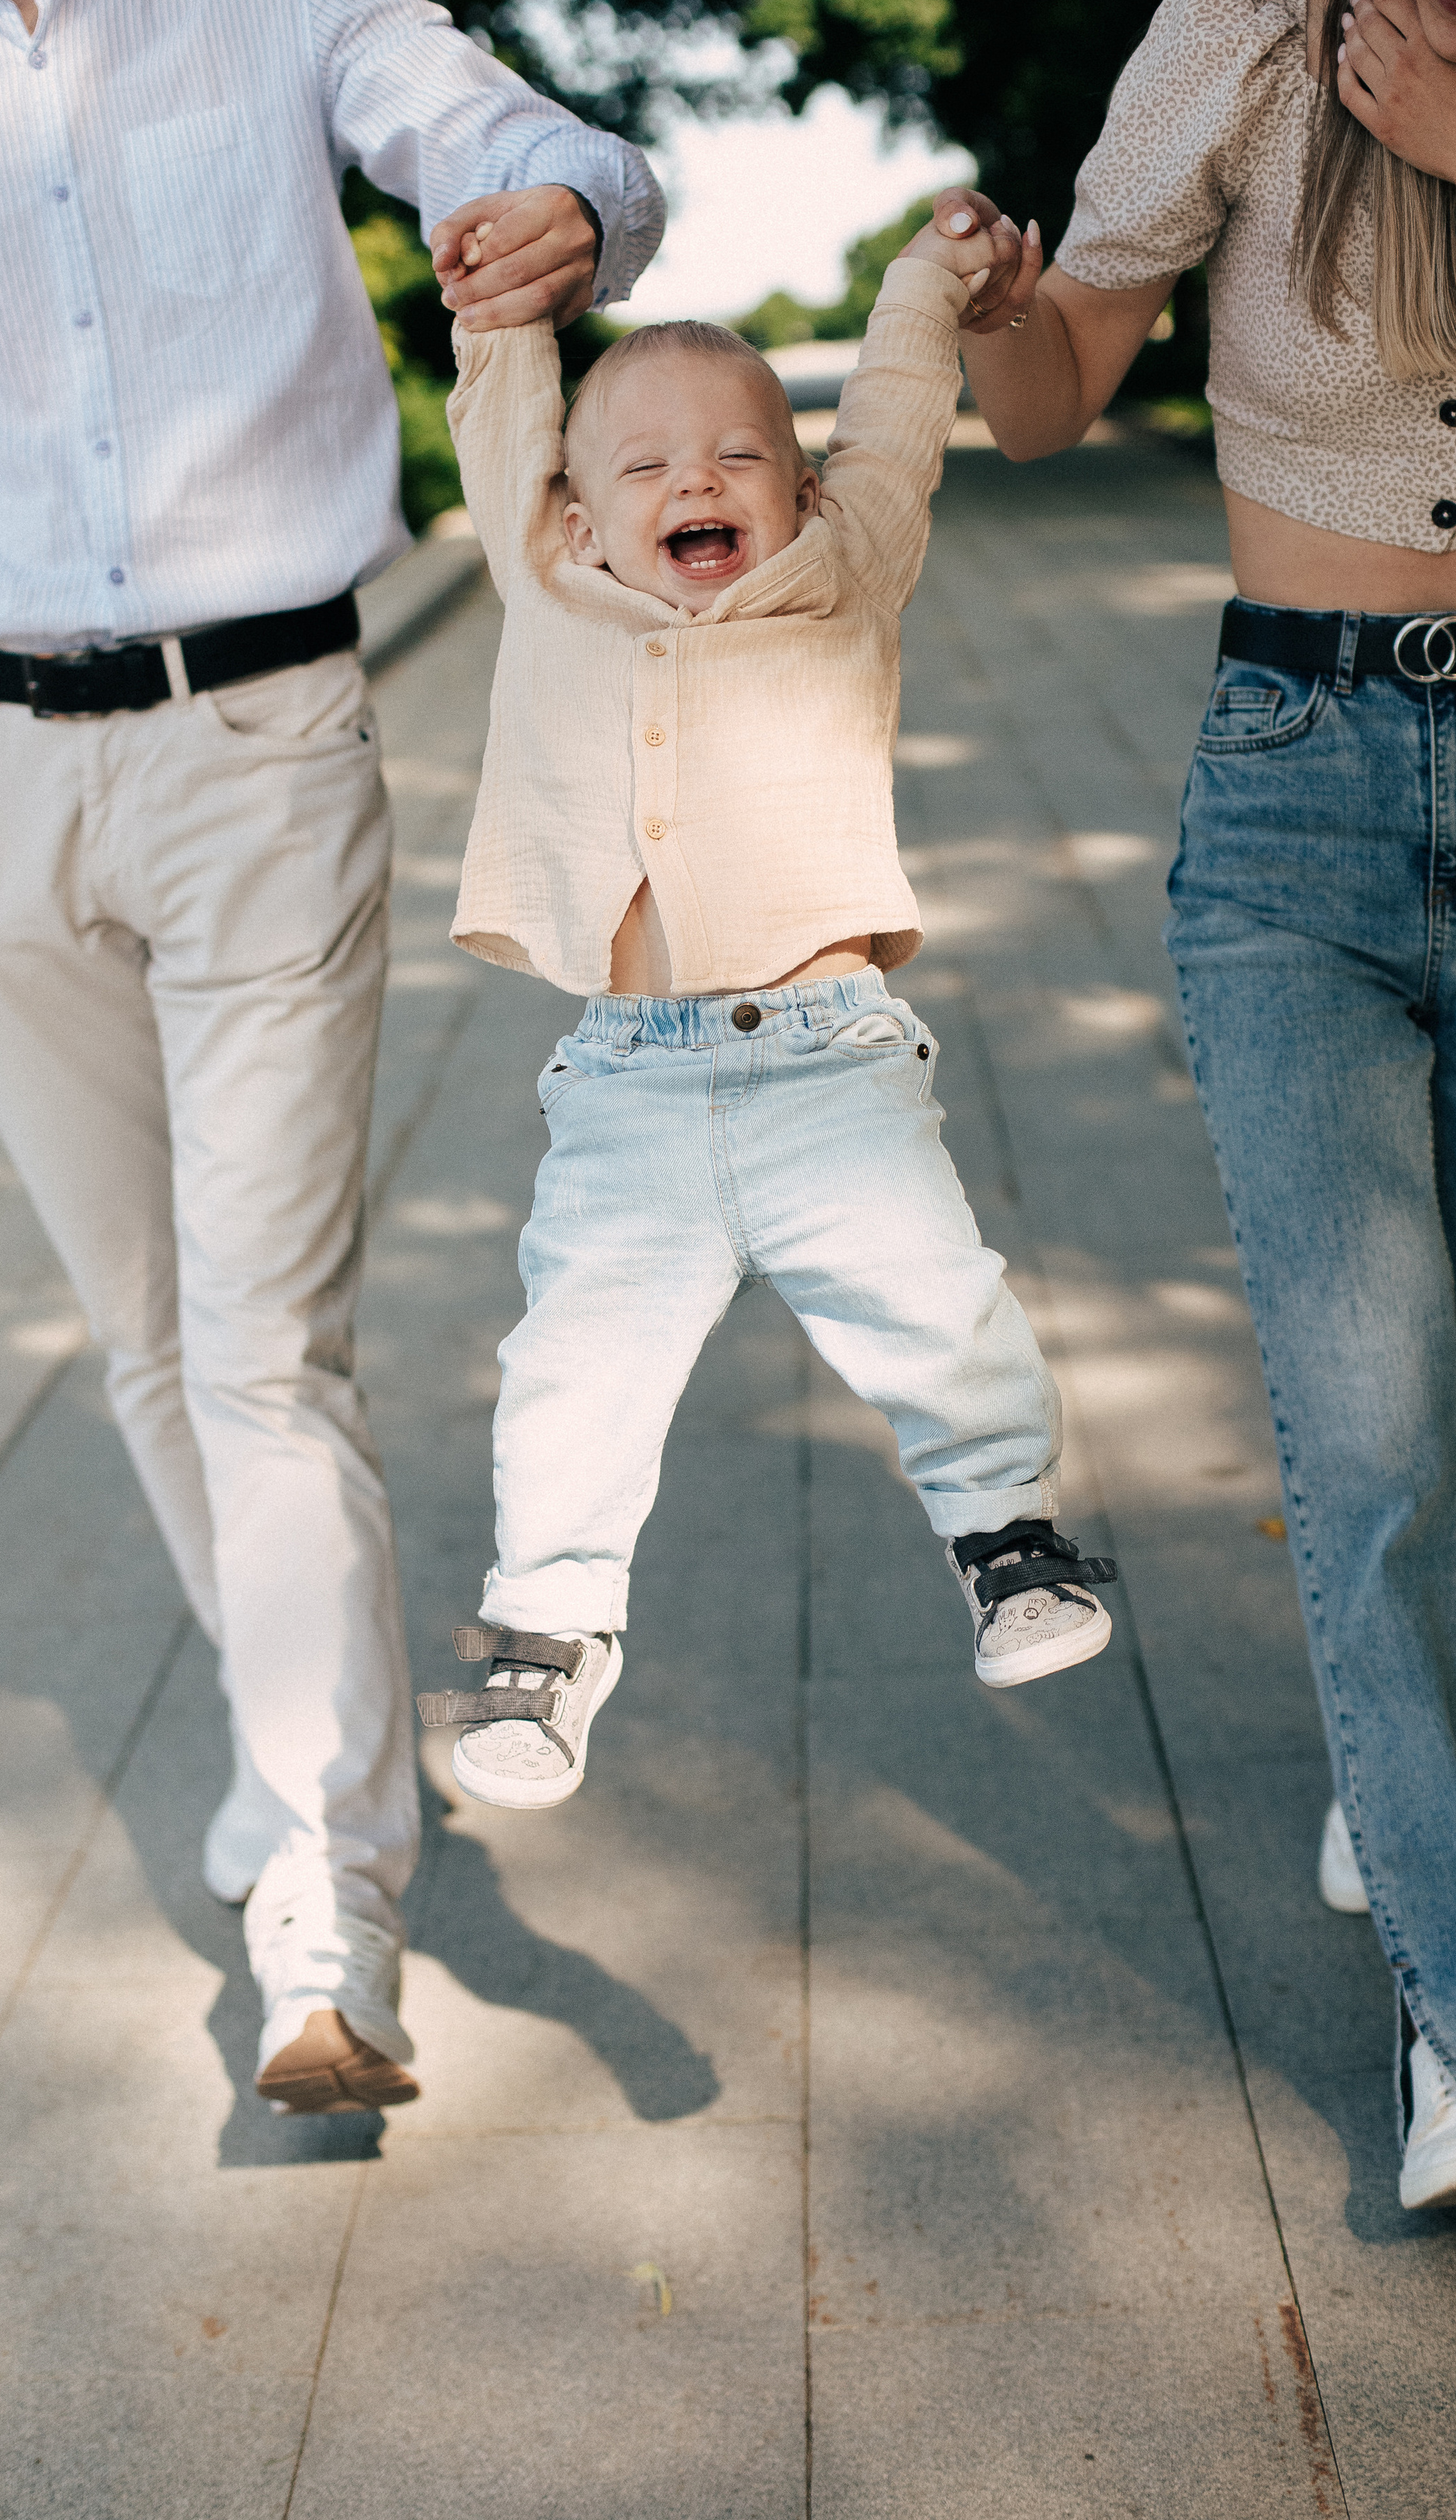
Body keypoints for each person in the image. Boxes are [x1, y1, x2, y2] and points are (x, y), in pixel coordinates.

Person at [0, 0, 662, 2115]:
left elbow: (523, 142)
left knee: (265, 1352)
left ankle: (322, 1908)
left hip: (259, 739)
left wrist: (576, 212)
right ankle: (321, 1772)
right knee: (156, 1343)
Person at [932, 0, 1456, 2210]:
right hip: (1290, 802)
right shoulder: (1235, 37)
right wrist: (1001, 298)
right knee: (1379, 1437)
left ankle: (1411, 1767)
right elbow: (1053, 400)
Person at [411, 200, 1120, 1811]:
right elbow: (507, 405)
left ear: (800, 494)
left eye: (737, 457)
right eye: (645, 469)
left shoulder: (843, 568)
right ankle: (550, 1627)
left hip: (830, 1064)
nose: (695, 486)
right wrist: (503, 307)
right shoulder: (548, 577)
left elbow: (890, 412)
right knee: (571, 1365)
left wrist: (924, 282)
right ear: (575, 513)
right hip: (626, 1083)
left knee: (934, 1300)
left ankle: (1006, 1538)